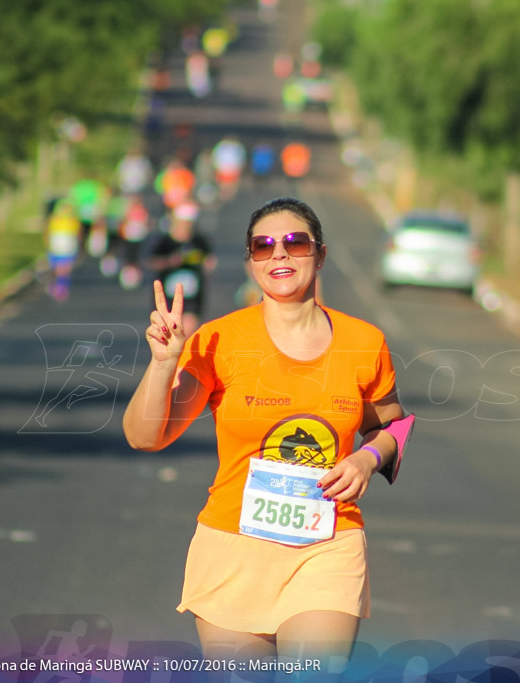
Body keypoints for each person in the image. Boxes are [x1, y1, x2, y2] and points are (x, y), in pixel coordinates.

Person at [123, 197, 411, 678]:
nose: (279, 255)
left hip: (327, 545)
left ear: (319, 255)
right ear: (251, 261)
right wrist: (163, 363)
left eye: (295, 243)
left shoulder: (364, 342)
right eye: (263, 246)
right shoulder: (218, 341)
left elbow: (392, 425)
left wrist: (366, 460)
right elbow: (144, 436)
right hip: (232, 548)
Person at [146, 200, 215, 335]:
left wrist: (204, 263)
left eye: (189, 222)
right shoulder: (164, 242)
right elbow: (151, 261)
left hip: (192, 294)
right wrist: (170, 262)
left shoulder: (199, 241)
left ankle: (185, 353)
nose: (186, 225)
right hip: (168, 294)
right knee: (168, 333)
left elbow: (209, 261)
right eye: (183, 221)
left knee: (187, 329)